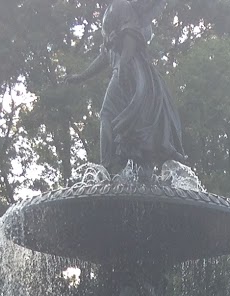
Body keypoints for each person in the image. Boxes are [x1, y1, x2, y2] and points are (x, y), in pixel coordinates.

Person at [69, 0, 186, 174]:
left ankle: (108, 168)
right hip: (127, 69)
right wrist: (81, 77)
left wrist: (123, 66)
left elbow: (131, 36)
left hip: (129, 71)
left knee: (107, 115)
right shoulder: (109, 11)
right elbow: (106, 55)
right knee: (125, 124)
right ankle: (122, 167)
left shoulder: (120, 5)